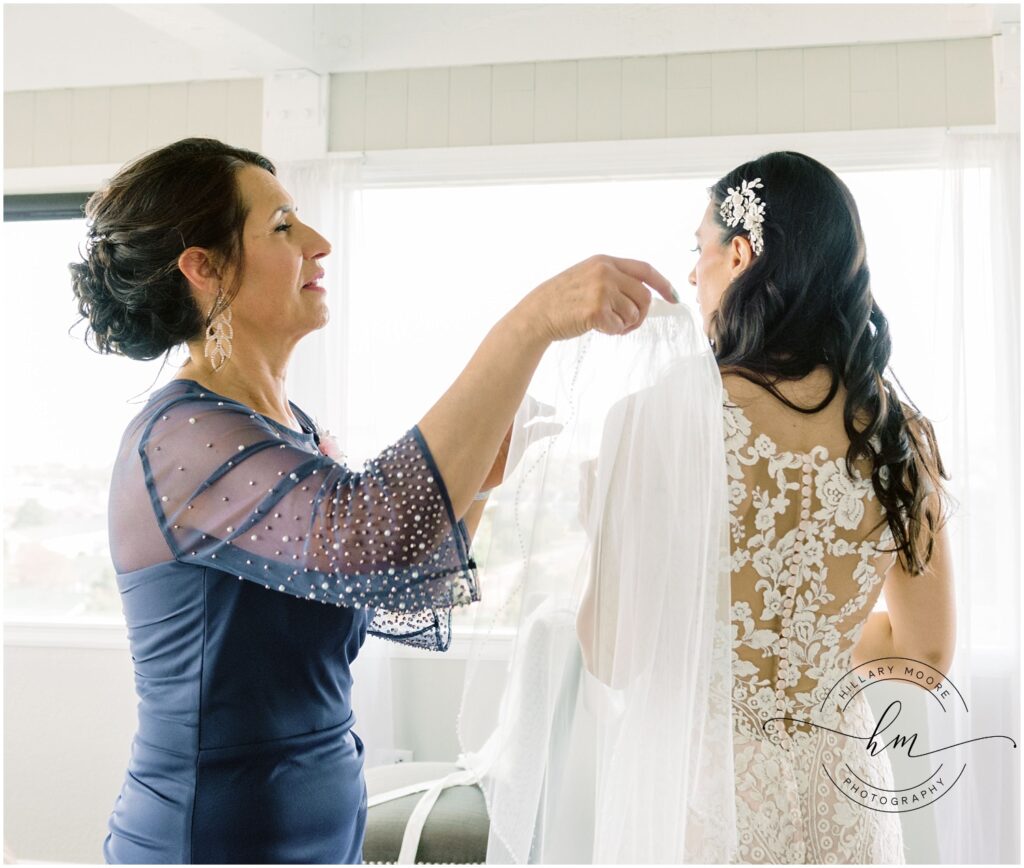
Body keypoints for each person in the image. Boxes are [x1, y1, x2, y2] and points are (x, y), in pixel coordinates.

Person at [68, 137, 677, 864]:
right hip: (217, 837)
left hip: (327, 821)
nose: (319, 244)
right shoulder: (182, 439)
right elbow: (369, 532)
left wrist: (478, 479)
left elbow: (391, 591)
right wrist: (531, 324)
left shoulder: (295, 431)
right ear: (204, 269)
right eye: (284, 227)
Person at [457, 150, 957, 864]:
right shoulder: (895, 433)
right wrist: (807, 646)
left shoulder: (655, 419)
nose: (692, 275)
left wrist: (603, 520)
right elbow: (927, 653)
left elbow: (613, 654)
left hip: (709, 804)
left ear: (743, 252)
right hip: (846, 799)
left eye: (700, 250)